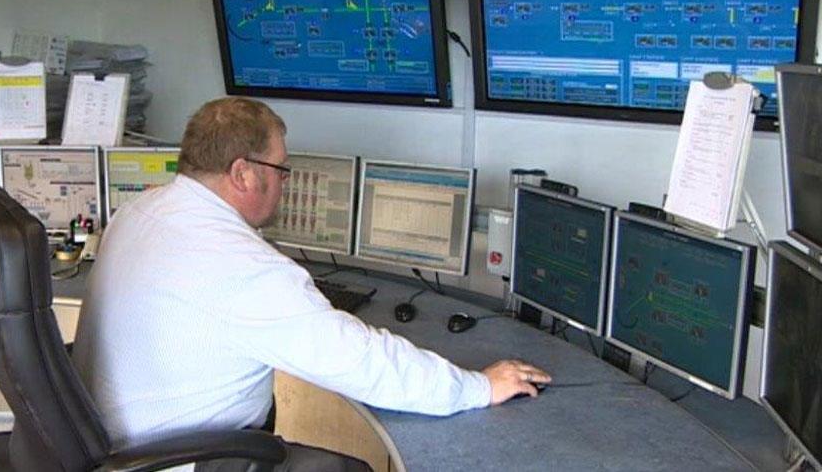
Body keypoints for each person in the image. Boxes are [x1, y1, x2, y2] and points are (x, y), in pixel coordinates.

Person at [71, 97, 551, 471]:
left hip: (113, 437)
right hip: (184, 458)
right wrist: (477, 387)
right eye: (281, 169)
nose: (285, 182)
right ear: (242, 172)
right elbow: (365, 362)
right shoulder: (244, 267)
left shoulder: (138, 212)